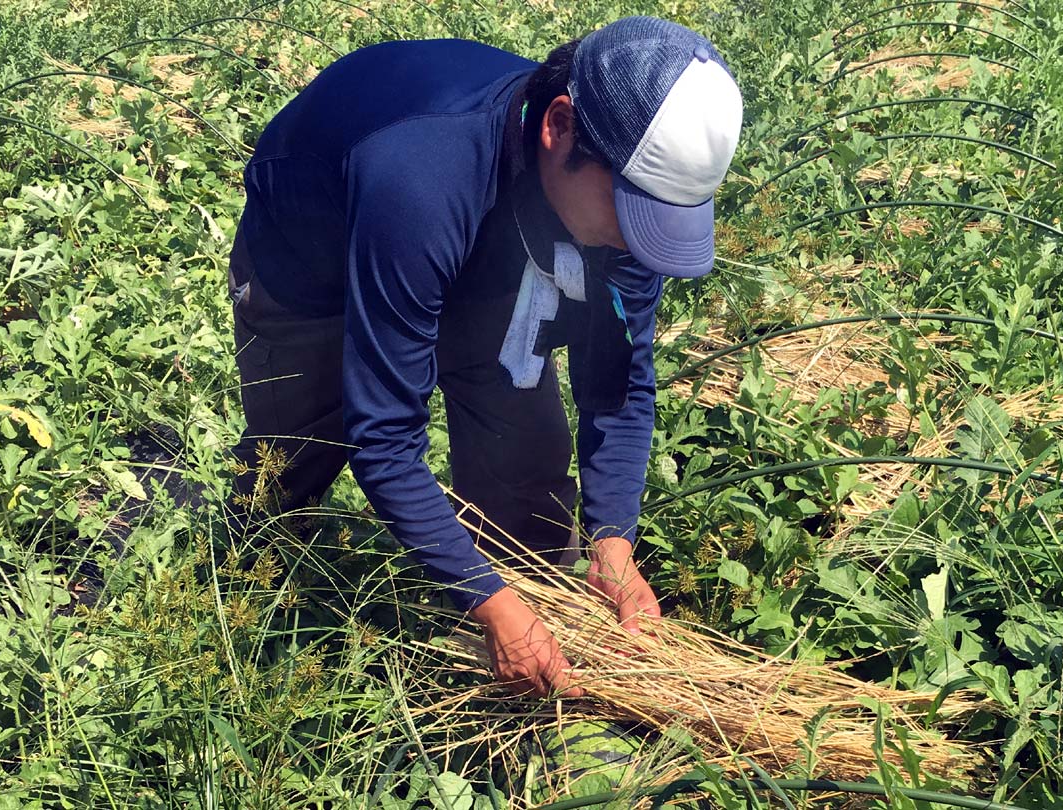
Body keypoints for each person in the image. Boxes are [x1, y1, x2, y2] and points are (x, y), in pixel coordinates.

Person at [225, 16, 743, 698]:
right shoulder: (422, 177)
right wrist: (489, 602)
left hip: (472, 233)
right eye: (630, 210)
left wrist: (612, 542)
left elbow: (617, 385)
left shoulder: (621, 212)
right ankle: (242, 607)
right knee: (293, 451)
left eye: (662, 221)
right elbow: (382, 436)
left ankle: (540, 670)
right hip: (308, 250)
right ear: (558, 128)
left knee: (523, 473)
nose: (638, 243)